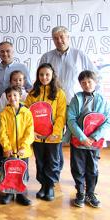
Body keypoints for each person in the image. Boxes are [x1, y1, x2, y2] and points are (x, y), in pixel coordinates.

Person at [65, 70, 110, 208]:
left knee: (93, 169)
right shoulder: (76, 99)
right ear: (80, 84)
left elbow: (107, 120)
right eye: (83, 82)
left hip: (94, 142)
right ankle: (80, 192)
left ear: (95, 82)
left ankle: (91, 193)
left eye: (89, 81)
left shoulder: (103, 100)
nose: (86, 85)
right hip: (78, 141)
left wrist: (94, 136)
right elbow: (71, 119)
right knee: (78, 168)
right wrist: (82, 137)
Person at [24, 63, 66, 201]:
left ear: (52, 75)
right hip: (37, 136)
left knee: (53, 162)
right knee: (40, 161)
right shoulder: (32, 93)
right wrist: (31, 132)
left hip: (53, 137)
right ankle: (43, 185)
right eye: (41, 75)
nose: (44, 77)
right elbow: (26, 115)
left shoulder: (59, 93)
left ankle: (50, 186)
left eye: (47, 74)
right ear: (38, 76)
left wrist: (56, 132)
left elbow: (61, 115)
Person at [40, 26, 99, 104]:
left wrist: (95, 97)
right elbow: (39, 80)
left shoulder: (80, 55)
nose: (59, 40)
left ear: (68, 37)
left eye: (61, 37)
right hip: (52, 103)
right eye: (55, 38)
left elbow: (95, 76)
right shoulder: (46, 57)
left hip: (76, 103)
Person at [0, 86, 34, 206]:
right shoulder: (4, 113)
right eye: (9, 96)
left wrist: (24, 146)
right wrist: (7, 147)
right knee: (9, 172)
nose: (12, 98)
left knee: (22, 172)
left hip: (23, 151)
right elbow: (2, 133)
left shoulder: (27, 112)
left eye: (14, 95)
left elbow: (30, 132)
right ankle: (9, 193)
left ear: (20, 96)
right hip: (9, 151)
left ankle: (20, 194)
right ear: (7, 98)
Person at [0, 41, 32, 113]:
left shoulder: (22, 68)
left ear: (13, 52)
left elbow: (29, 88)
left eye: (8, 51)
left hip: (19, 108)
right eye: (2, 51)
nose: (5, 54)